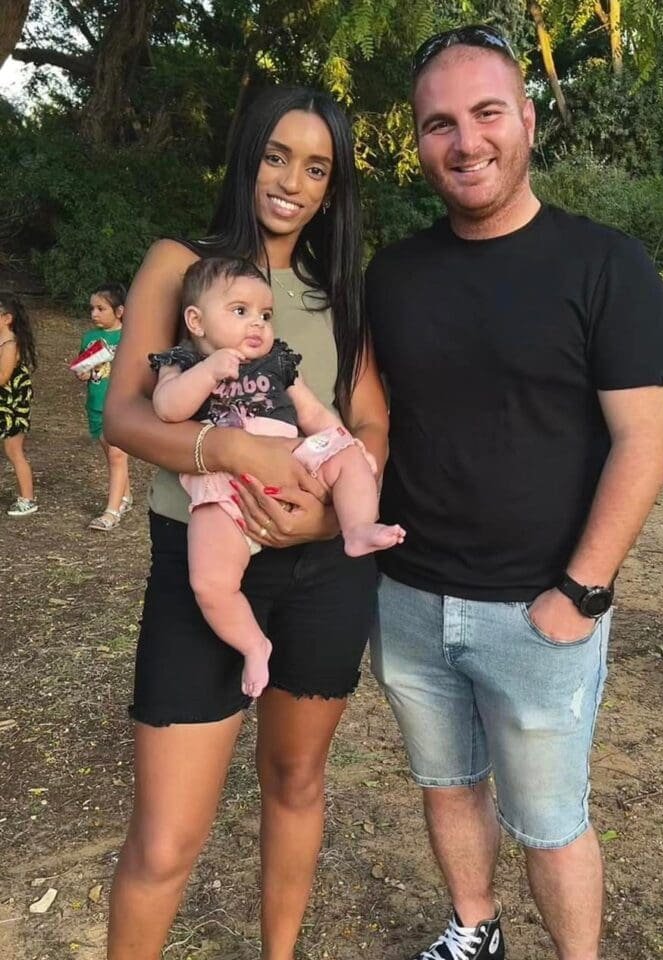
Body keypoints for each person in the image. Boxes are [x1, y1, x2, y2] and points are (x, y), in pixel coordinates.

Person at [366, 25, 663, 960]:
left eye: (486, 113)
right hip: (409, 598)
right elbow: (372, 423)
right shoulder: (395, 273)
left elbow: (645, 445)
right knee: (447, 782)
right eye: (439, 124)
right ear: (418, 142)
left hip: (540, 613)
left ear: (527, 120)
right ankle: (474, 929)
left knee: (549, 821)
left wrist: (579, 593)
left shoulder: (607, 267)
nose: (466, 142)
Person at [104, 85, 389, 960]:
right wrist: (229, 455)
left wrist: (319, 520)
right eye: (277, 155)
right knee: (166, 840)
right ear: (246, 155)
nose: (292, 182)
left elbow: (371, 421)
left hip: (323, 577)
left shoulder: (336, 287)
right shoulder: (178, 266)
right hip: (204, 568)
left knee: (296, 782)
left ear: (333, 189)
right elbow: (125, 417)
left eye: (317, 168)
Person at [150, 255, 404, 697]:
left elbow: (311, 413)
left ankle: (358, 528)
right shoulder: (183, 361)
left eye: (265, 315)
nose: (258, 325)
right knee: (209, 583)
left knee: (350, 458)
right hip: (224, 489)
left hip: (296, 457)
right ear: (196, 320)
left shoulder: (278, 361)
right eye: (240, 311)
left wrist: (344, 442)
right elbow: (167, 409)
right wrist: (209, 372)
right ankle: (253, 645)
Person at [75, 284, 133, 530]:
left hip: (122, 406)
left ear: (120, 310)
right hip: (96, 404)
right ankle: (125, 497)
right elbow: (83, 370)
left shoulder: (131, 337)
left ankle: (111, 512)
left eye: (101, 308)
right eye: (92, 309)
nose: (94, 314)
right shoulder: (89, 338)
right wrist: (83, 373)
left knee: (118, 454)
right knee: (110, 454)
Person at [0, 291, 38, 516]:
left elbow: (3, 377)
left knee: (14, 450)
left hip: (12, 407)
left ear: (7, 318)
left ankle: (27, 499)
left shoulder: (10, 344)